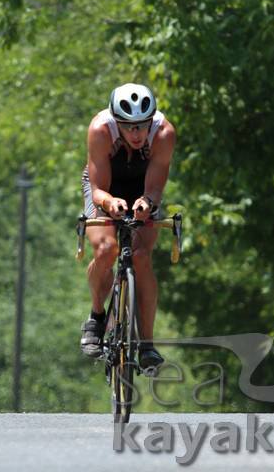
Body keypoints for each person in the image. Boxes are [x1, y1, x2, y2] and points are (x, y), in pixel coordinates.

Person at [79, 82, 176, 372]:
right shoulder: (100, 130)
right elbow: (98, 189)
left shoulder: (164, 133)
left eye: (142, 126)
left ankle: (147, 344)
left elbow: (155, 188)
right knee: (107, 249)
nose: (136, 134)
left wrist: (147, 202)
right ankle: (97, 316)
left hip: (143, 187)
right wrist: (110, 204)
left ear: (152, 121)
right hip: (106, 188)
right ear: (115, 121)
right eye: (128, 127)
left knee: (141, 256)